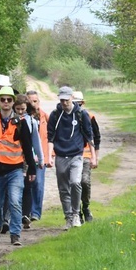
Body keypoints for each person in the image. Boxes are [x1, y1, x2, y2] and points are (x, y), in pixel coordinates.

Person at [0, 86, 37, 246]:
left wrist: (32, 168)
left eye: (9, 99)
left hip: (15, 170)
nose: (6, 102)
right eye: (3, 99)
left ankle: (15, 234)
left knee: (15, 201)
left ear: (12, 101)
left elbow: (27, 146)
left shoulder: (20, 123)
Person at [47, 86, 97, 230]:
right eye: (61, 100)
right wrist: (50, 156)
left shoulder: (81, 114)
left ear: (72, 99)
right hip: (61, 155)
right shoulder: (55, 115)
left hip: (76, 155)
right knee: (63, 188)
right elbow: (50, 137)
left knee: (76, 182)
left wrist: (93, 157)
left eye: (66, 100)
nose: (64, 103)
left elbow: (89, 136)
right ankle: (68, 217)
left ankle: (76, 214)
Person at [13, 94, 44, 229]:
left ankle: (25, 214)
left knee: (27, 186)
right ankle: (12, 215)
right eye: (18, 109)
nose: (20, 112)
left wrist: (40, 159)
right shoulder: (10, 121)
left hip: (28, 158)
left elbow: (36, 142)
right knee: (14, 188)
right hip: (13, 157)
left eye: (23, 109)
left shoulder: (31, 121)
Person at [72, 91, 100, 223]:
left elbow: (96, 137)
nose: (76, 105)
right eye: (73, 103)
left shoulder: (89, 116)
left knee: (85, 181)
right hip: (72, 155)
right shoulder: (66, 118)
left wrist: (95, 157)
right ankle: (76, 212)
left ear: (82, 103)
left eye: (78, 103)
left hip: (87, 155)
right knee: (74, 183)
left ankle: (86, 207)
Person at [26, 90, 51, 221]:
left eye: (35, 101)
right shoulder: (22, 117)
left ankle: (36, 212)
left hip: (41, 156)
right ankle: (26, 211)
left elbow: (51, 137)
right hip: (26, 157)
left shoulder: (45, 117)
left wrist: (50, 155)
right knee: (26, 184)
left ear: (39, 102)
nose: (33, 104)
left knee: (38, 183)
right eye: (30, 101)